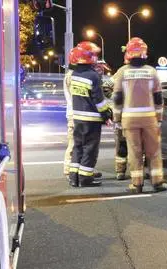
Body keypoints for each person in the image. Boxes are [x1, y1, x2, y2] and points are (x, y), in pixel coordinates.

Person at [112, 37, 167, 194]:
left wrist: (117, 119)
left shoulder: (122, 72)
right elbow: (158, 98)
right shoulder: (152, 72)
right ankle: (158, 182)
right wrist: (160, 118)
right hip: (149, 118)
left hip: (129, 120)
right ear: (144, 53)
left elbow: (117, 98)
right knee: (154, 151)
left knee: (134, 151)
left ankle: (137, 184)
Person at [68, 42, 111, 187]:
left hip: (78, 118)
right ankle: (85, 178)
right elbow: (98, 100)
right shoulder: (93, 76)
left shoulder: (74, 75)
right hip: (91, 119)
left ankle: (74, 177)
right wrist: (107, 114)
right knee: (90, 149)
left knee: (78, 147)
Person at [63, 48, 102, 180]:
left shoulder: (72, 74)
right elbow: (92, 97)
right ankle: (71, 171)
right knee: (77, 145)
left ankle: (77, 172)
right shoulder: (76, 75)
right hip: (80, 114)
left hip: (76, 114)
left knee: (78, 145)